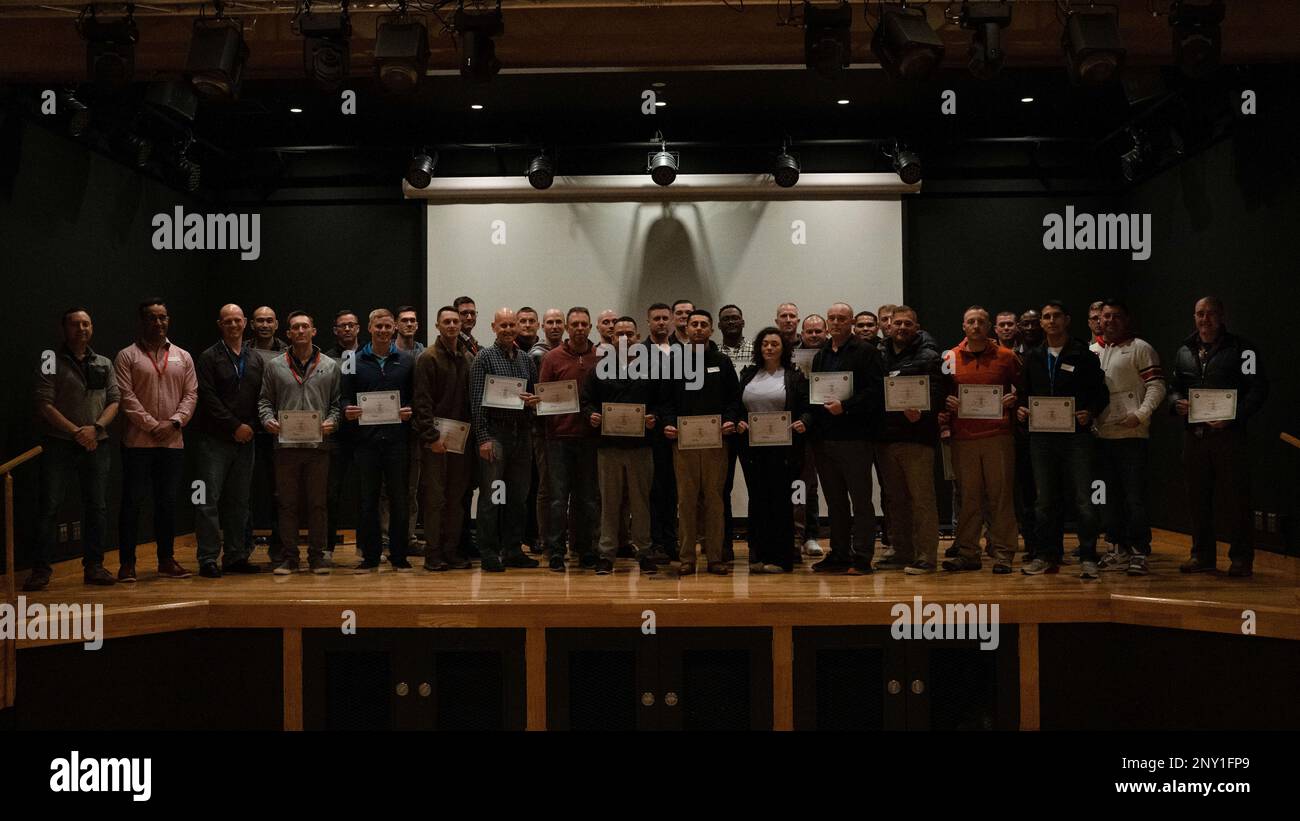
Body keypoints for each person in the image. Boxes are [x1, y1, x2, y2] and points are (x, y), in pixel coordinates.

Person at [1169, 297, 1268, 577]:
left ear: (1222, 316)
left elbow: (1258, 390)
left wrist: (1233, 417)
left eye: (1211, 314)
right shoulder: (1184, 350)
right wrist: (1176, 404)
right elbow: (1174, 387)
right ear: (1194, 317)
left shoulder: (1243, 349)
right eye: (1200, 314)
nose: (1205, 319)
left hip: (1229, 437)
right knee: (1196, 499)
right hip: (1194, 436)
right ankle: (1202, 556)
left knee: (1236, 500)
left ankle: (1240, 559)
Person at [24, 308, 120, 591]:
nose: (82, 329)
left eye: (86, 324)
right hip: (59, 444)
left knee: (97, 506)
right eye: (75, 324)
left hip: (96, 444)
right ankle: (40, 570)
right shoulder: (50, 360)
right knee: (49, 506)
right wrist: (75, 431)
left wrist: (96, 429)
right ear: (63, 329)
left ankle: (94, 567)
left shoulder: (103, 361)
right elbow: (44, 404)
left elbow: (115, 400)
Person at [1017, 301, 1108, 578]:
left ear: (1067, 320)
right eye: (1046, 317)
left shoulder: (1084, 354)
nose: (1051, 321)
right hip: (1042, 439)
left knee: (1083, 500)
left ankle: (1089, 556)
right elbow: (1024, 394)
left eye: (1056, 316)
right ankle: (1047, 555)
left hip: (1076, 438)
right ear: (1041, 323)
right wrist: (1021, 409)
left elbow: (1101, 394)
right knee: (1045, 500)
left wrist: (1090, 412)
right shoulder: (1033, 356)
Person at [114, 298, 198, 582]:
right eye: (152, 318)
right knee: (132, 503)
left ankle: (166, 560)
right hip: (138, 442)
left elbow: (191, 394)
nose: (158, 323)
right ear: (142, 321)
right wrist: (152, 425)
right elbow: (125, 397)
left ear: (168, 320)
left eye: (163, 317)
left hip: (172, 442)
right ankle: (127, 564)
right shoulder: (127, 356)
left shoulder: (183, 356)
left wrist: (174, 422)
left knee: (167, 503)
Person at [940, 307, 1023, 574]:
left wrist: (1016, 399)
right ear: (963, 326)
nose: (976, 326)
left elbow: (1025, 387)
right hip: (963, 437)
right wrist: (946, 401)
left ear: (989, 327)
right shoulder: (949, 357)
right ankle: (967, 552)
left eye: (981, 322)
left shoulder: (1006, 356)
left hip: (998, 436)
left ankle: (1002, 553)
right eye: (970, 322)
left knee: (1000, 496)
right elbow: (940, 391)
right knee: (968, 497)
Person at [259, 310, 342, 575]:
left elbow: (338, 404)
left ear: (314, 331)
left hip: (319, 448)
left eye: (306, 326)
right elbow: (264, 402)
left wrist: (333, 422)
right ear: (288, 333)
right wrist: (267, 420)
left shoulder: (330, 365)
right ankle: (289, 557)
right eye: (295, 327)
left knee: (318, 503)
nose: (301, 331)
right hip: (285, 448)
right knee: (287, 503)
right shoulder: (274, 366)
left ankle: (317, 557)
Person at [660, 310, 742, 575]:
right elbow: (667, 400)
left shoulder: (722, 362)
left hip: (716, 442)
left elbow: (734, 399)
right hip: (683, 443)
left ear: (711, 330)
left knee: (715, 500)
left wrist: (730, 420)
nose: (698, 329)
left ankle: (715, 557)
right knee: (685, 500)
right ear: (687, 327)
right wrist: (669, 423)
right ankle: (687, 558)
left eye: (703, 325)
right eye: (693, 324)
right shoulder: (674, 362)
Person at [1091, 299, 1166, 576]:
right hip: (1103, 436)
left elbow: (1156, 385)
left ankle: (1139, 552)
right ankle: (1117, 548)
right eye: (1105, 317)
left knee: (1134, 497)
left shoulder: (1140, 348)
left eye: (1116, 317)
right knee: (1109, 498)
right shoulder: (1092, 351)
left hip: (1133, 435)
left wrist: (1141, 415)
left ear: (1127, 320)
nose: (1109, 321)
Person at [808, 303, 884, 575]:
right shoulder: (821, 355)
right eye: (832, 318)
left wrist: (847, 406)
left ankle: (863, 556)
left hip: (855, 438)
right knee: (835, 501)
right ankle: (839, 553)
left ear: (851, 321)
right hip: (826, 440)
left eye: (842, 318)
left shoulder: (867, 352)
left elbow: (876, 392)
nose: (836, 322)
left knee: (860, 500)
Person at [193, 304, 265, 578]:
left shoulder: (256, 359)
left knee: (240, 501)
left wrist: (251, 427)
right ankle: (208, 557)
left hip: (247, 440)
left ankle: (236, 556)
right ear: (220, 324)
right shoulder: (208, 357)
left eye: (238, 320)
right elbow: (207, 397)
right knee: (207, 500)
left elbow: (264, 398)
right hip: (214, 440)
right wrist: (235, 426)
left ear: (245, 323)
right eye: (228, 321)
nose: (233, 325)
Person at [583, 316, 659, 574]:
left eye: (630, 333)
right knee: (609, 502)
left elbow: (662, 403)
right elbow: (586, 401)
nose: (625, 338)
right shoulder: (598, 369)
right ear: (611, 339)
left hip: (641, 448)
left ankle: (644, 551)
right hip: (609, 448)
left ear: (638, 337)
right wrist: (590, 415)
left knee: (641, 502)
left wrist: (654, 418)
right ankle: (606, 554)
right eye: (619, 334)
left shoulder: (653, 369)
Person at [342, 309, 416, 573]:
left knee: (399, 499)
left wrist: (409, 410)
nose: (383, 331)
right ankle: (370, 556)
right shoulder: (351, 360)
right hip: (366, 442)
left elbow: (413, 398)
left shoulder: (407, 361)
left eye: (388, 326)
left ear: (394, 328)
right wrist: (347, 410)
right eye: (378, 326)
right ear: (370, 328)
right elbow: (344, 397)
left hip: (397, 441)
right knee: (367, 500)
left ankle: (399, 556)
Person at [471, 308, 543, 572]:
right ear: (493, 327)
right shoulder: (483, 358)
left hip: (522, 435)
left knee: (518, 496)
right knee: (492, 497)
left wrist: (534, 402)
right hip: (495, 435)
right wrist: (483, 439)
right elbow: (476, 402)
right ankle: (489, 551)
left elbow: (536, 397)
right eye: (503, 325)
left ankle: (513, 550)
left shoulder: (526, 360)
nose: (508, 329)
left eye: (512, 325)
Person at [875, 306, 943, 574]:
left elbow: (937, 394)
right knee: (895, 500)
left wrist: (923, 412)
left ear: (917, 327)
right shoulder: (879, 355)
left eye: (907, 323)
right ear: (889, 326)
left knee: (922, 499)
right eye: (896, 323)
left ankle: (926, 556)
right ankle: (902, 552)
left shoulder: (929, 356)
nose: (901, 327)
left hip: (917, 439)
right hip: (886, 438)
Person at [737, 327, 810, 573]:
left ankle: (780, 558)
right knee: (757, 501)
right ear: (759, 348)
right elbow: (737, 406)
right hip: (753, 449)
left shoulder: (793, 376)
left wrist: (804, 422)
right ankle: (758, 556)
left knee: (780, 503)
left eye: (775, 344)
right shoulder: (748, 375)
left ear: (783, 348)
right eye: (765, 344)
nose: (769, 348)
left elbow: (807, 407)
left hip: (784, 450)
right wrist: (740, 421)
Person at [539, 308, 603, 572]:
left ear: (590, 328)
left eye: (584, 324)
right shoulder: (552, 358)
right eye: (574, 324)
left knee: (587, 498)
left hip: (590, 438)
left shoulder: (601, 357)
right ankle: (555, 551)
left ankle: (586, 549)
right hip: (558, 438)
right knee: (557, 499)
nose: (579, 328)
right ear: (567, 327)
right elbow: (541, 395)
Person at [412, 307, 474, 571]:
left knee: (456, 498)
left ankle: (451, 552)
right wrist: (431, 437)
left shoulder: (468, 357)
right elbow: (421, 402)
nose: (452, 326)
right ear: (437, 326)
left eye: (455, 322)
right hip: (435, 441)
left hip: (461, 441)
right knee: (435, 499)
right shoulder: (428, 358)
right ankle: (433, 554)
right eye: (446, 322)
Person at [383, 305, 426, 555]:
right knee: (386, 489)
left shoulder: (425, 353)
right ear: (396, 325)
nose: (409, 324)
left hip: (415, 431)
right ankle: (386, 538)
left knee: (411, 489)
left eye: (413, 320)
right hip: (388, 430)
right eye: (405, 321)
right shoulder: (385, 353)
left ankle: (409, 538)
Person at [246, 306, 285, 560]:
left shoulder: (287, 351)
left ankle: (279, 546)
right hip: (246, 428)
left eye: (269, 320)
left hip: (279, 430)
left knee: (279, 491)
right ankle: (243, 543)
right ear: (252, 324)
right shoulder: (241, 350)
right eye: (259, 320)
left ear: (276, 324)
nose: (264, 325)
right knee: (243, 491)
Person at [525, 308, 565, 553]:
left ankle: (558, 536)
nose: (554, 326)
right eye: (550, 322)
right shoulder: (535, 355)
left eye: (558, 322)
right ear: (543, 326)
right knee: (546, 486)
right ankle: (545, 536)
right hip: (543, 429)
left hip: (566, 428)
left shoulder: (567, 353)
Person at [324, 309, 361, 556]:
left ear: (359, 328)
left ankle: (364, 547)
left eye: (351, 325)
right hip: (335, 436)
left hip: (364, 436)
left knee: (364, 493)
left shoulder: (369, 356)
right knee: (331, 493)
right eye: (342, 326)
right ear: (335, 330)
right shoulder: (325, 359)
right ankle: (327, 548)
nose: (347, 329)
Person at [644, 303, 679, 562]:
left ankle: (671, 540)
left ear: (673, 321)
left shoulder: (683, 353)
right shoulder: (638, 353)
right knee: (654, 489)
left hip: (678, 431)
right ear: (648, 322)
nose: (661, 322)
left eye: (665, 318)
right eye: (656, 318)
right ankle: (655, 542)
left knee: (673, 489)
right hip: (651, 431)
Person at [717, 304, 751, 561]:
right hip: (724, 429)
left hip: (752, 429)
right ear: (719, 326)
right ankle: (723, 545)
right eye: (726, 319)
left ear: (743, 322)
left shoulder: (758, 350)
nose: (731, 322)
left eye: (735, 318)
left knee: (758, 487)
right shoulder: (714, 355)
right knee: (722, 490)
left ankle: (758, 544)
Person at [793, 313, 826, 559]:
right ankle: (801, 535)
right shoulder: (792, 357)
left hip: (832, 426)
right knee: (803, 485)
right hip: (802, 426)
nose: (814, 335)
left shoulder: (834, 354)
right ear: (801, 334)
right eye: (809, 331)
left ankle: (813, 535)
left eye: (818, 331)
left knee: (815, 486)